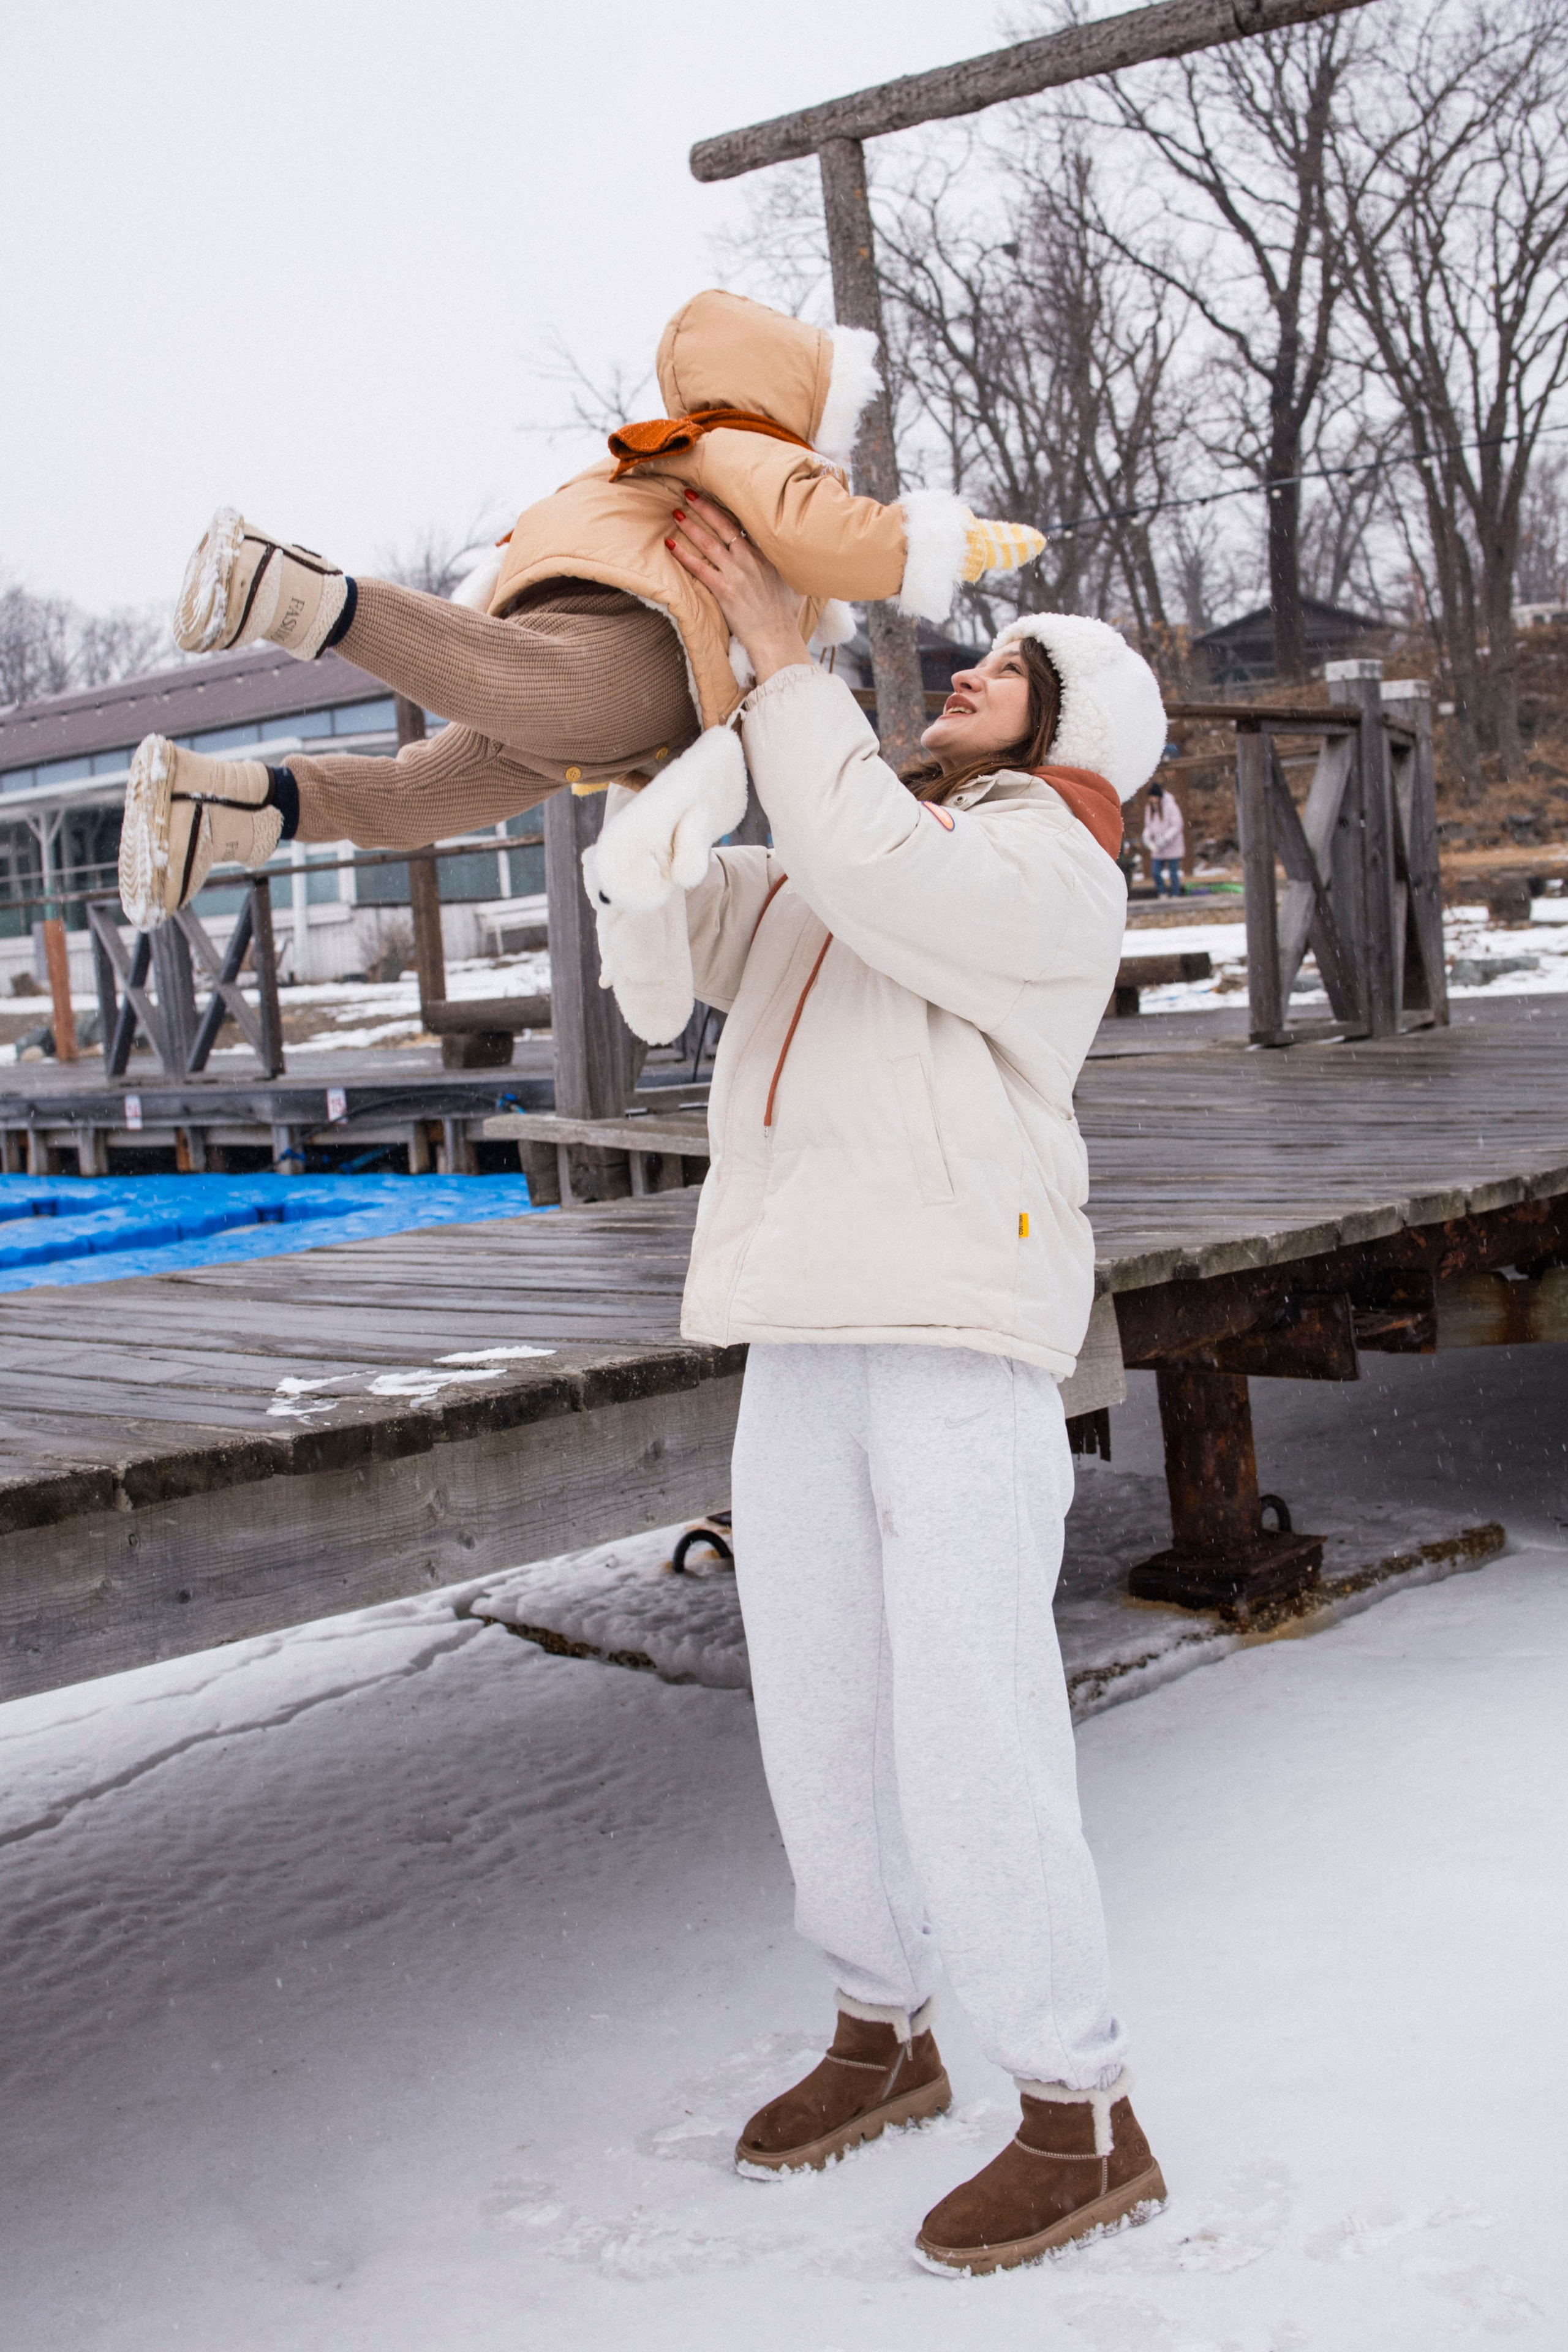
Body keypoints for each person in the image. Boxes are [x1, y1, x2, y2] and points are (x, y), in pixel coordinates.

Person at [610, 490, 1170, 2276]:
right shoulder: (869, 840)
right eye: (978, 650)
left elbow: (869, 866)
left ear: (1075, 726)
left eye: (1012, 665)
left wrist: (790, 662)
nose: (971, 670)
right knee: (822, 1703)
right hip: (803, 1317)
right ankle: (881, 2019)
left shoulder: (1048, 871)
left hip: (950, 1327)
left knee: (969, 1715)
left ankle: (1079, 2109)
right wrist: (658, 792)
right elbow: (695, 943)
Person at [116, 289, 1045, 933]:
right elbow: (831, 537)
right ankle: (280, 587)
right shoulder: (751, 445)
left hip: (591, 668)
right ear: (804, 402)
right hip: (637, 648)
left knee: (417, 798)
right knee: (504, 678)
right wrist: (942, 542)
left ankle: (220, 807)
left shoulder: (663, 450)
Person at [1142, 777, 1185, 896]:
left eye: (1154, 797)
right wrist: (1146, 838)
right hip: (1158, 847)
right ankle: (1162, 893)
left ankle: (1176, 894)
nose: (1152, 800)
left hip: (1173, 846)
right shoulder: (1150, 808)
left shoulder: (1171, 807)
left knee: (1173, 873)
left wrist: (1165, 839)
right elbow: (1149, 826)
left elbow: (1177, 826)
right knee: (1155, 872)